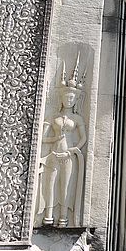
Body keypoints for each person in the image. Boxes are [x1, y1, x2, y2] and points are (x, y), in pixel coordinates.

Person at [38, 60, 86, 228]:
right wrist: (54, 140)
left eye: (72, 97)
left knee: (65, 187)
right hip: (53, 155)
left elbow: (83, 138)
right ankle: (48, 217)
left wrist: (73, 150)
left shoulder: (77, 118)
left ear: (76, 98)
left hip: (67, 156)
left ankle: (64, 219)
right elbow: (42, 138)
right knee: (49, 186)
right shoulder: (53, 117)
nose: (69, 99)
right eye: (67, 96)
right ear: (62, 97)